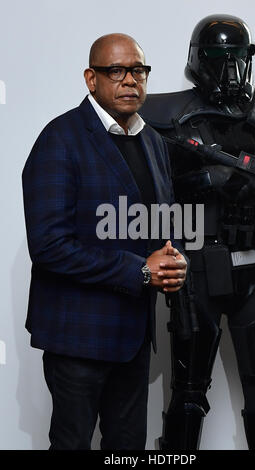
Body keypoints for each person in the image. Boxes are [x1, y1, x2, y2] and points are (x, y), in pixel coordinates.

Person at [140, 15, 255, 450]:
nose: (230, 69)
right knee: (189, 396)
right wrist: (207, 180)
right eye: (217, 57)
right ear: (199, 58)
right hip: (198, 273)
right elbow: (149, 197)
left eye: (238, 58)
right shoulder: (170, 118)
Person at [22, 33, 187, 450]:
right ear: (91, 79)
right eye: (116, 71)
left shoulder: (153, 142)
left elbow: (157, 225)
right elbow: (48, 248)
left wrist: (171, 263)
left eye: (138, 71)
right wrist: (141, 270)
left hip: (133, 336)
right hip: (78, 334)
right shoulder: (59, 139)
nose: (130, 80)